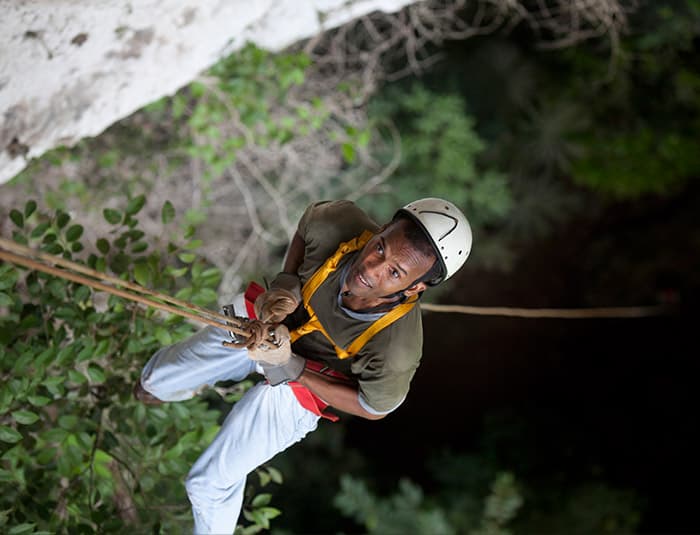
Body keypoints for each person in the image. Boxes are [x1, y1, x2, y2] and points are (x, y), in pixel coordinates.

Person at [133, 198, 472, 534]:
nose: (371, 268)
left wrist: (293, 367)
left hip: (307, 384)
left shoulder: (396, 348)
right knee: (153, 379)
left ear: (415, 287)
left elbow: (372, 407)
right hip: (268, 324)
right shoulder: (339, 224)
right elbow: (304, 229)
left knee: (207, 485)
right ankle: (164, 386)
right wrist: (286, 284)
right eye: (380, 248)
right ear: (380, 229)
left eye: (394, 272)